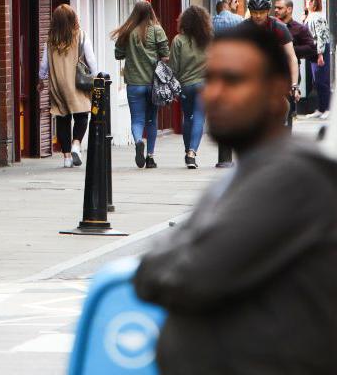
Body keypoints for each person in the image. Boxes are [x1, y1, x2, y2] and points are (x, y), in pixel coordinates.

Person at [134, 20, 337, 374]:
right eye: (212, 80)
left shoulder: (292, 177)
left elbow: (190, 272)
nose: (215, 93)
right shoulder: (244, 176)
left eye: (234, 80)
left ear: (277, 92)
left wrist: (162, 260)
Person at [112, 0, 170, 169]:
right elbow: (165, 55)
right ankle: (150, 157)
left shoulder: (127, 32)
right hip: (153, 84)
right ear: (151, 12)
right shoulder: (157, 30)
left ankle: (138, 141)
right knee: (152, 120)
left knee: (137, 120)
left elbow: (118, 54)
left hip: (134, 83)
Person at [38, 4, 96, 167]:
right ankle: (76, 144)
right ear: (73, 19)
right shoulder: (81, 36)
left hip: (57, 84)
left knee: (63, 119)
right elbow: (91, 60)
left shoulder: (50, 41)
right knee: (82, 115)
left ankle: (66, 158)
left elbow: (43, 65)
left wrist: (41, 80)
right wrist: (97, 77)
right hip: (77, 83)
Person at [245, 0, 298, 127]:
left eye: (261, 12)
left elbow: (291, 57)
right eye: (254, 12)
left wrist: (294, 85)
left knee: (283, 107)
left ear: (268, 11)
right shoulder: (243, 28)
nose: (257, 16)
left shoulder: (279, 28)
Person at [171, 6, 211, 168]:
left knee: (187, 117)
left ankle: (187, 150)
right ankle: (192, 152)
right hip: (204, 85)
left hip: (185, 85)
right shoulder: (210, 39)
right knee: (199, 118)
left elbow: (173, 67)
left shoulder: (178, 40)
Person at [304, 0, 330, 119]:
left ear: (317, 3)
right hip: (313, 52)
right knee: (317, 81)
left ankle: (327, 109)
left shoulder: (318, 17)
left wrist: (320, 54)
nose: (309, 2)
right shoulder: (309, 16)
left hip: (320, 51)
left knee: (322, 81)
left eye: (312, 0)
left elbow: (321, 36)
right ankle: (321, 108)